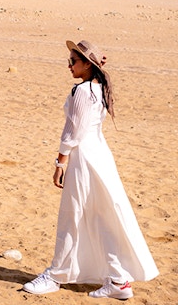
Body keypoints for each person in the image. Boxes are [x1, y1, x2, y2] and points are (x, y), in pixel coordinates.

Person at [23, 40, 159, 300]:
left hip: (83, 158)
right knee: (101, 216)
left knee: (73, 216)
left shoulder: (83, 91)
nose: (69, 65)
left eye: (73, 61)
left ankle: (55, 276)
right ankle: (119, 280)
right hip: (100, 156)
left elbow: (73, 131)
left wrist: (60, 162)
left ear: (87, 64)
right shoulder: (97, 87)